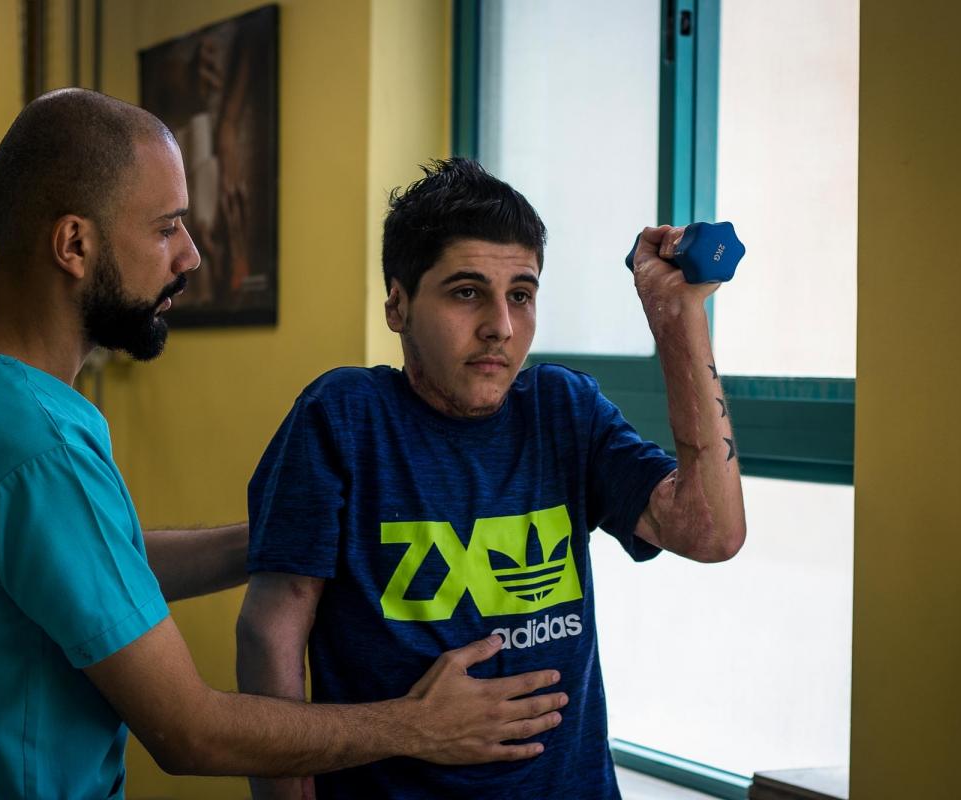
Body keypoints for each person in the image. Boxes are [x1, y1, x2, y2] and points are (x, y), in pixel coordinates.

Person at [0, 91, 566, 798]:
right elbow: (191, 733)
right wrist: (417, 725)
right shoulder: (37, 449)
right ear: (74, 245)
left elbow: (79, 564)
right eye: (166, 229)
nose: (190, 255)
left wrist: (283, 539)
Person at [238, 158, 747, 799]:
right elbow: (270, 633)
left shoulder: (563, 409)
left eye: (521, 295)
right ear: (397, 305)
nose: (500, 327)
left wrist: (678, 318)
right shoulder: (343, 418)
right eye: (466, 292)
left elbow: (712, 532)